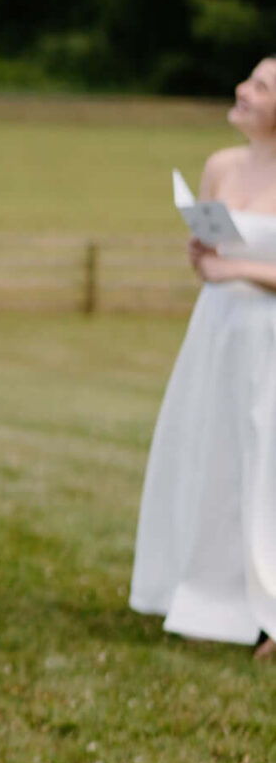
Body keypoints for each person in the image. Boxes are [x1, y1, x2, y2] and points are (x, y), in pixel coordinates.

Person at [132, 56, 276, 655]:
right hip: (217, 332)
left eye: (261, 86)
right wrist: (203, 258)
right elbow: (211, 257)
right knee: (212, 457)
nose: (242, 89)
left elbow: (239, 266)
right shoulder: (219, 165)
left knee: (269, 465)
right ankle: (209, 595)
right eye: (249, 78)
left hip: (272, 336)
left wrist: (233, 268)